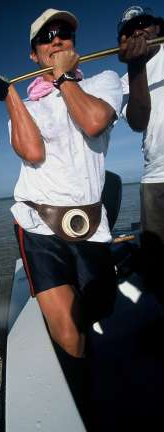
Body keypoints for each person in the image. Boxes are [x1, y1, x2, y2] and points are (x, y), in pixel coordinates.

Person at [0, 8, 122, 427]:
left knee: (98, 309)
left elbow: (94, 122)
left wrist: (64, 80)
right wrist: (9, 97)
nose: (57, 40)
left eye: (64, 33)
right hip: (38, 225)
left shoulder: (102, 83)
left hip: (91, 224)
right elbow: (33, 152)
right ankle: (83, 410)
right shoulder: (26, 104)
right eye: (46, 37)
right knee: (68, 331)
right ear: (34, 55)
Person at [118, 6, 164, 301]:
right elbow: (138, 121)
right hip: (156, 177)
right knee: (158, 266)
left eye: (143, 24)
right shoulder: (125, 82)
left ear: (158, 28)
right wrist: (136, 69)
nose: (136, 31)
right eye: (127, 30)